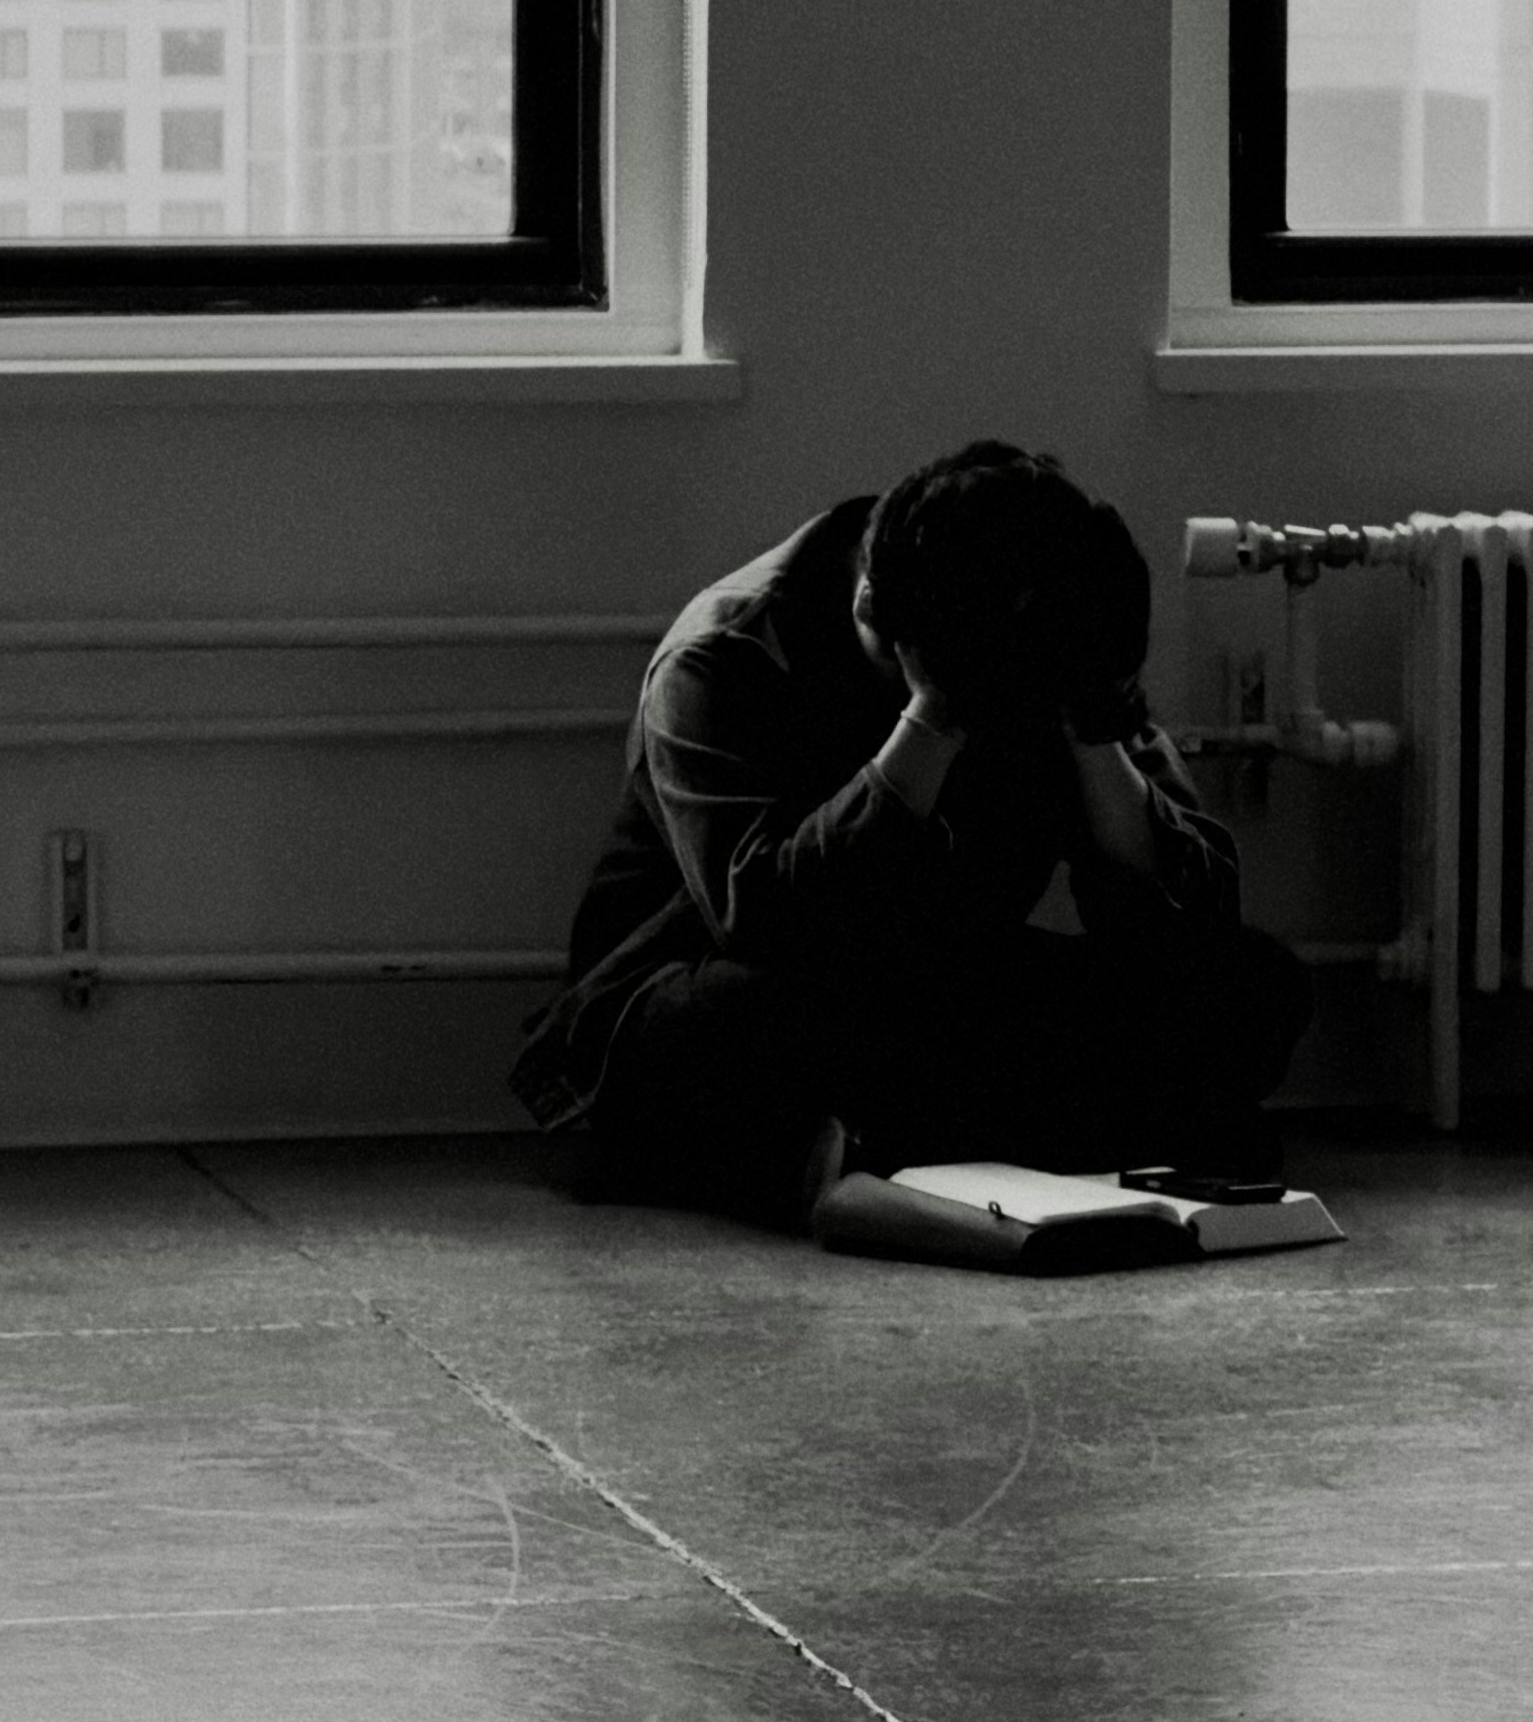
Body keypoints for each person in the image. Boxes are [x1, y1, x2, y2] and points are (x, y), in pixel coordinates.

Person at [508, 439, 1313, 1230]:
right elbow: (765, 922)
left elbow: (1190, 916)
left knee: (1250, 985)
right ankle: (1014, 1132)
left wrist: (1089, 730)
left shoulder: (1046, 607)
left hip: (938, 988)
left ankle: (890, 1146)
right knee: (763, 1020)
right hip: (726, 992)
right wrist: (933, 714)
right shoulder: (729, 653)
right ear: (869, 610)